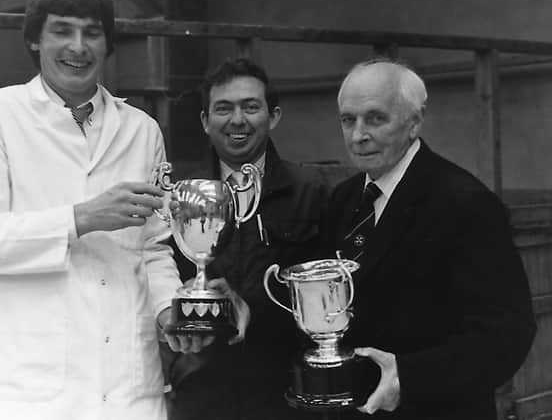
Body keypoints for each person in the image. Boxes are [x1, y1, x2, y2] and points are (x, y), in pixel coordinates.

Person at [0, 0, 206, 419]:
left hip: (125, 388)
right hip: (28, 390)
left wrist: (167, 311)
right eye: (62, 30)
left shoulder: (141, 130)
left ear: (107, 44)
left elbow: (154, 247)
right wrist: (80, 218)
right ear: (35, 41)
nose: (78, 47)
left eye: (92, 33)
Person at [319, 58, 536, 420]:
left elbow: (508, 333)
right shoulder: (344, 198)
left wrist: (408, 376)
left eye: (375, 118)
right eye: (348, 120)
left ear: (414, 122)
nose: (358, 135)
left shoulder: (466, 203)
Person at [165, 58, 327, 420]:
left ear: (274, 116)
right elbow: (161, 279)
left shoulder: (312, 192)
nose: (237, 120)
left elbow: (322, 295)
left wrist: (253, 307)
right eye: (223, 108)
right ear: (206, 121)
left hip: (285, 394)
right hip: (199, 392)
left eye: (251, 107)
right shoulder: (180, 197)